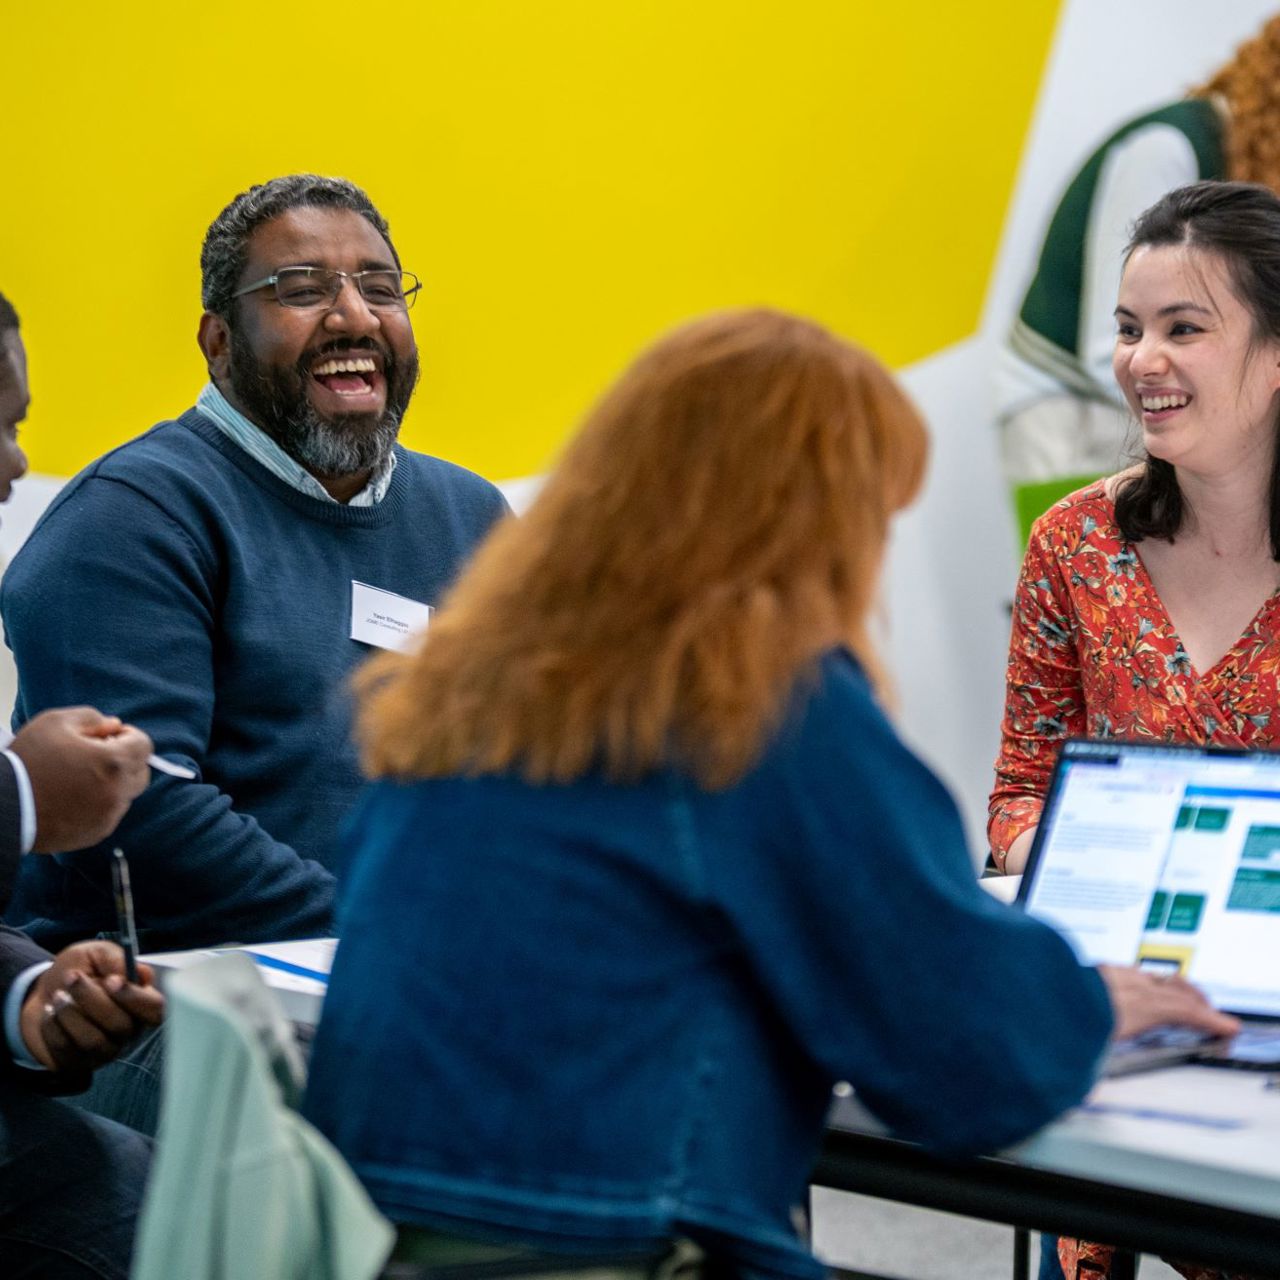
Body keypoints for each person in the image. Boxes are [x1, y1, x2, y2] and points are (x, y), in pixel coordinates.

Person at [304, 308, 1233, 1280]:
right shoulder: (754, 702)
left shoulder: (470, 690)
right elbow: (961, 1057)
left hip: (388, 1238)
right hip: (616, 1242)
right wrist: (1086, 1003)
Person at [0, 174, 510, 955]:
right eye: (302, 289)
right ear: (219, 343)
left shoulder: (472, 520)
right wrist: (389, 940)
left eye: (380, 287)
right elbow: (144, 815)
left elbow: (536, 769)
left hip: (424, 976)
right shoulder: (131, 517)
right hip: (175, 1000)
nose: (354, 316)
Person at [990, 180, 1280, 1280]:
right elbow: (1016, 793)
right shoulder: (1074, 540)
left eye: (1181, 328)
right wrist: (1097, 861)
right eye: (1125, 328)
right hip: (1121, 1025)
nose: (1138, 359)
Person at [0, 291, 166, 1279]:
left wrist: (30, 996)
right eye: (0, 426)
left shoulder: (453, 509)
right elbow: (173, 824)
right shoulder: (130, 519)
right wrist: (21, 797)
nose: (18, 463)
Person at [997, 13, 1280, 546]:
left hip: (1151, 422)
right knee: (1090, 615)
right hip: (1065, 415)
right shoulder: (1168, 147)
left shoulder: (1241, 162)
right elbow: (1111, 347)